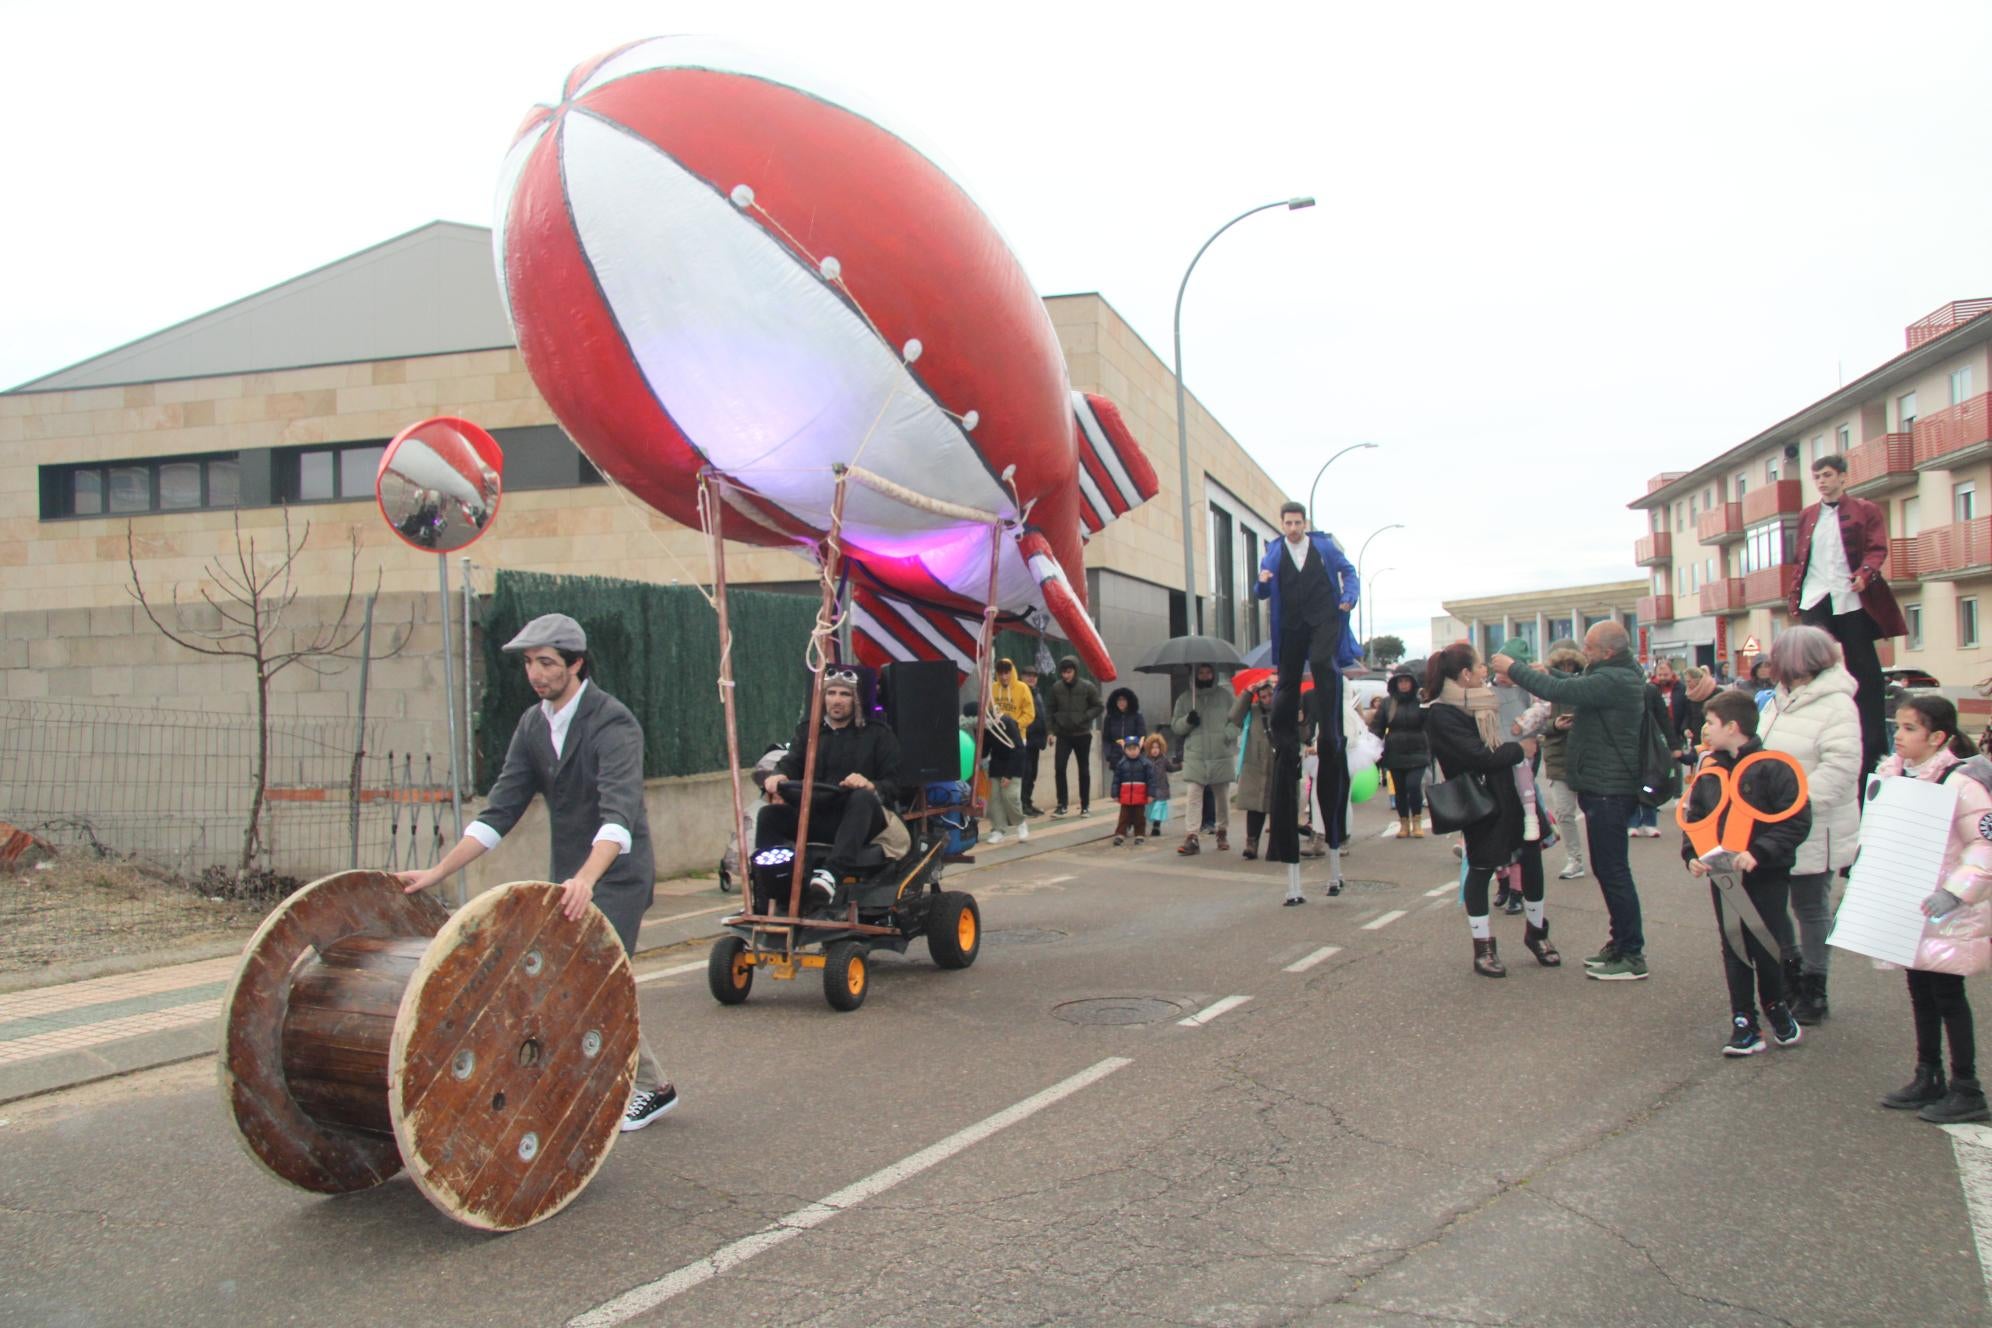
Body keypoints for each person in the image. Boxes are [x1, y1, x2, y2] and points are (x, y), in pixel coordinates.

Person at [398, 613, 677, 1132]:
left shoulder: (613, 724)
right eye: (529, 663)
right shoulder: (533, 725)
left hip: (613, 875)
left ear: (576, 664)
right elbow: (499, 812)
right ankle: (614, 1079)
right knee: (566, 984)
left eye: (547, 663)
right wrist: (437, 872)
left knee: (592, 981)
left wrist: (588, 879)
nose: (536, 673)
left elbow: (619, 818)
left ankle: (652, 1089)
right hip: (571, 876)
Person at [1492, 621, 1652, 982]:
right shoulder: (1614, 673)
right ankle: (1621, 942)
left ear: (1608, 651)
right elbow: (1567, 685)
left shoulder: (1615, 679)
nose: (1585, 652)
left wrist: (1513, 669)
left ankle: (1631, 953)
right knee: (1609, 871)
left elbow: (1558, 689)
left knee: (1614, 872)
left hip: (1610, 788)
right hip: (1602, 785)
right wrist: (1543, 671)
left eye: (1590, 647)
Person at [1874, 695, 1992, 1124]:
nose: (1898, 736)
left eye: (1909, 728)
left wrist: (1956, 892)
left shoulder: (1961, 783)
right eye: (1898, 727)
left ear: (1937, 737)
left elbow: (1984, 844)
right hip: (1912, 906)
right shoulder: (1897, 776)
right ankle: (1929, 1074)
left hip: (1948, 911)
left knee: (1948, 996)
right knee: (1920, 992)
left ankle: (1967, 1087)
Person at [1680, 691, 1809, 1056]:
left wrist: (1760, 852)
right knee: (1734, 945)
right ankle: (1743, 1020)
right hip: (1723, 873)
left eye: (1711, 723)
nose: (1705, 729)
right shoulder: (1710, 771)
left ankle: (1776, 1006)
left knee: (1766, 943)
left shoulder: (1774, 767)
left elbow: (1796, 820)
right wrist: (1691, 855)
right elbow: (1696, 818)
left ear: (1733, 727)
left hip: (1765, 874)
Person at [1424, 643, 1561, 976]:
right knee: (1482, 867)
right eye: (1479, 667)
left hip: (1514, 791)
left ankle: (1537, 932)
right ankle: (1483, 946)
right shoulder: (1440, 712)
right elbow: (1476, 755)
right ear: (1465, 674)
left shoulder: (1488, 700)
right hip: (1480, 799)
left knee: (1531, 859)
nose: (1485, 672)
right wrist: (1519, 749)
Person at [1757, 625, 1861, 1025]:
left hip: (1814, 824)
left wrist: (1794, 803)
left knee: (1810, 906)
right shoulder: (1778, 701)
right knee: (1772, 903)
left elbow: (1841, 767)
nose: (1771, 664)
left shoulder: (1836, 704)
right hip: (1776, 824)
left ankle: (1815, 986)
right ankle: (1791, 970)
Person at [1254, 501, 1360, 882]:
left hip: (1324, 617)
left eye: (1298, 522)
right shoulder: (1273, 550)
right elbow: (1261, 592)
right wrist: (1264, 580)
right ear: (1281, 524)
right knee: (1287, 680)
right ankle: (1285, 733)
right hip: (1293, 624)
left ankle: (1329, 724)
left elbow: (1350, 573)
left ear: (1305, 523)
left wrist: (1349, 597)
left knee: (1322, 662)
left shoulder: (1326, 546)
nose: (1293, 528)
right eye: (1288, 523)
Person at [1787, 453, 1909, 782]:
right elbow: (1801, 557)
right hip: (1816, 595)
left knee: (1864, 672)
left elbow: (1876, 547)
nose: (1822, 482)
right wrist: (1795, 595)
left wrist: (1865, 573)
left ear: (1842, 477)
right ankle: (1811, 731)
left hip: (1850, 596)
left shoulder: (1865, 509)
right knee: (1811, 666)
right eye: (1817, 477)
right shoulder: (1808, 515)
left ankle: (1872, 752)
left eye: (1827, 475)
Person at [756, 668, 902, 905]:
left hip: (862, 819)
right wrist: (778, 776)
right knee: (769, 815)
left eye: (844, 694)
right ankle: (770, 888)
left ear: (855, 699)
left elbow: (895, 784)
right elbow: (791, 763)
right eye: (831, 693)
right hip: (818, 814)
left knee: (861, 797)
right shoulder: (809, 732)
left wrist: (869, 784)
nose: (836, 700)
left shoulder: (878, 735)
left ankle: (831, 874)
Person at [1172, 663, 1239, 855]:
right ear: (1195, 675)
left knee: (1222, 798)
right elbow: (1176, 726)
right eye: (1200, 673)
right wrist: (1188, 721)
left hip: (1220, 753)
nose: (1204, 676)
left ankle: (1222, 831)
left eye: (1208, 672)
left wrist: (1227, 735)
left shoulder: (1225, 696)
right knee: (1193, 795)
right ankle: (1191, 835)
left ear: (1213, 674)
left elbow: (1237, 720)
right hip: (1196, 754)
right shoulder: (1186, 699)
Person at [1535, 643, 1587, 881]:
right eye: (1560, 665)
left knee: (1595, 812)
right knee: (1565, 812)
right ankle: (1574, 859)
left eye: (1570, 664)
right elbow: (1534, 724)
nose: (1566, 669)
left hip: (1587, 756)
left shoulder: (1588, 683)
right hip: (1557, 756)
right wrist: (1555, 725)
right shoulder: (1545, 690)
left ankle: (1598, 856)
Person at [1371, 665, 1430, 840]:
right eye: (1400, 681)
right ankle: (1404, 823)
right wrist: (1372, 747)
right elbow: (1378, 727)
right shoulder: (1388, 703)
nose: (1404, 685)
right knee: (1400, 789)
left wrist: (1426, 702)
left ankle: (1417, 821)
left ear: (1413, 683)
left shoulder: (1420, 700)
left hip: (1417, 748)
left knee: (1413, 785)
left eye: (1407, 681)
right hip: (1394, 751)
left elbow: (1430, 722)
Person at [1045, 656, 1103, 818]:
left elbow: (1099, 706)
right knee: (1059, 768)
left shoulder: (1087, 687)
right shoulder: (1056, 688)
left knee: (1083, 770)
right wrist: (1050, 732)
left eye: (1069, 672)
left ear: (1075, 671)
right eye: (1063, 672)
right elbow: (1049, 710)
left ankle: (1085, 806)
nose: (1066, 676)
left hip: (1082, 734)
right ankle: (1061, 805)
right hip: (1063, 734)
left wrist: (1084, 717)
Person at [1232, 677, 1278, 859]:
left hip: (1277, 764)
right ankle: (1251, 843)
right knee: (1254, 806)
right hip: (1254, 764)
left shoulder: (1284, 709)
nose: (1267, 699)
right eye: (1263, 696)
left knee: (1276, 806)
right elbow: (1234, 717)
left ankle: (1275, 845)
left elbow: (1302, 732)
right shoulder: (1252, 712)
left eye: (1270, 695)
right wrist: (1247, 693)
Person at [969, 704, 1029, 847]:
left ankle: (1020, 823)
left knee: (1010, 797)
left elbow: (1019, 749)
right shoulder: (985, 727)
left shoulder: (1007, 722)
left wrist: (1008, 775)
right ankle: (998, 829)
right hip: (995, 765)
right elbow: (984, 750)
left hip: (1012, 765)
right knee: (993, 799)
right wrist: (977, 733)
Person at [1108, 735, 1156, 846]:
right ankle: (1120, 834)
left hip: (1140, 796)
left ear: (1139, 749)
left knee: (1139, 816)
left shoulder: (1145, 763)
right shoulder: (1121, 764)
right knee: (1123, 817)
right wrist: (1115, 794)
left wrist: (1150, 794)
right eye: (1129, 749)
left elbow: (1151, 781)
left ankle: (1139, 835)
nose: (1132, 752)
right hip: (1125, 797)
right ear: (1125, 750)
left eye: (1135, 749)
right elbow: (1116, 780)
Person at [1102, 686, 1146, 789]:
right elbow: (1106, 738)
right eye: (1119, 700)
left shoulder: (1137, 716)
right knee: (1119, 786)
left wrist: (1138, 750)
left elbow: (1142, 735)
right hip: (1116, 757)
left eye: (1124, 700)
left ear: (1129, 701)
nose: (1121, 702)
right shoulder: (1109, 717)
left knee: (1134, 785)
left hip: (1133, 755)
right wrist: (1108, 754)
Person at [1018, 665, 1048, 816]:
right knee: (1025, 773)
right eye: (1028, 674)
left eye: (1034, 675)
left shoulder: (1036, 692)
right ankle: (1022, 805)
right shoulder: (1020, 692)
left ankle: (1028, 802)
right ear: (1021, 676)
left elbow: (1041, 716)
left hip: (1036, 742)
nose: (1031, 677)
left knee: (1032, 774)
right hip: (1024, 740)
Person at [1142, 733, 1173, 842]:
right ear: (1148, 748)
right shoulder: (1145, 761)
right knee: (1150, 808)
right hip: (1150, 789)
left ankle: (1156, 826)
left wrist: (1181, 765)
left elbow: (1171, 767)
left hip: (1162, 788)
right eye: (1152, 748)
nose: (1155, 750)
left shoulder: (1164, 759)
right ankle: (1152, 823)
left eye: (1157, 747)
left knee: (1159, 807)